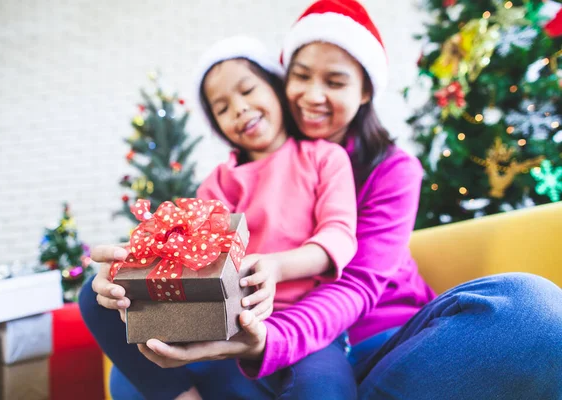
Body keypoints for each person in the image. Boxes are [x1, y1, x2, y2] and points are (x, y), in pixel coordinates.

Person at [83, 1, 562, 399]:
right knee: (134, 374)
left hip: (380, 345)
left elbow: (352, 284)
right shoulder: (229, 181)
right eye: (301, 76)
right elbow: (203, 254)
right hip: (266, 339)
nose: (313, 96)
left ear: (365, 90)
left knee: (529, 309)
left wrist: (268, 341)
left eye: (334, 82)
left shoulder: (383, 169)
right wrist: (140, 270)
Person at [81, 34, 361, 399]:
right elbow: (193, 259)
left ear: (276, 90)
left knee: (324, 388)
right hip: (228, 325)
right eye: (222, 108)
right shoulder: (217, 185)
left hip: (307, 332)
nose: (240, 109)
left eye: (248, 91)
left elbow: (339, 236)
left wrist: (276, 266)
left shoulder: (324, 158)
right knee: (93, 293)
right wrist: (138, 261)